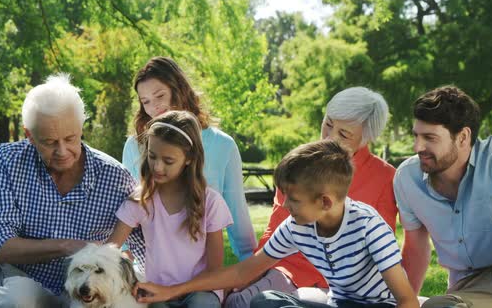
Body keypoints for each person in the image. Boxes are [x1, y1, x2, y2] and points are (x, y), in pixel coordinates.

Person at [0, 74, 136, 307]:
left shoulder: (115, 177)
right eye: (49, 142)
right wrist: (67, 246)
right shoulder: (9, 159)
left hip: (77, 296)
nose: (62, 151)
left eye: (70, 138)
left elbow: (145, 249)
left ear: (81, 127)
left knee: (20, 293)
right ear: (30, 135)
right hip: (3, 280)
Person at [134, 140, 420, 308]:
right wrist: (172, 291)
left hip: (379, 306)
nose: (284, 206)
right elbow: (242, 272)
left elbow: (406, 300)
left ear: (325, 202)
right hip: (337, 303)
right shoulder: (297, 227)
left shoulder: (369, 227)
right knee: (264, 301)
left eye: (293, 199)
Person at [225, 87, 398, 307]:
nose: (330, 137)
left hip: (345, 288)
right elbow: (273, 231)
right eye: (328, 124)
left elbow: (380, 253)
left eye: (344, 134)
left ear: (366, 138)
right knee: (236, 301)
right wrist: (249, 276)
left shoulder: (385, 177)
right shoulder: (299, 164)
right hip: (289, 272)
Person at [122, 56, 256, 269]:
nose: (154, 107)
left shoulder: (223, 145)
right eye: (145, 101)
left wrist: (250, 266)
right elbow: (128, 213)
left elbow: (238, 215)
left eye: (160, 96)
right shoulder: (134, 145)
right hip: (150, 271)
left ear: (179, 89)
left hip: (203, 272)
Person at [394, 86, 492, 307]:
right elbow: (415, 247)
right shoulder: (407, 179)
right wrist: (406, 302)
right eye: (416, 135)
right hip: (472, 288)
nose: (417, 146)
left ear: (463, 137)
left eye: (429, 138)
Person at [107, 110, 233, 307]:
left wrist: (176, 291)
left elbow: (214, 269)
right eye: (152, 156)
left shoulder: (210, 202)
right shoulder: (140, 200)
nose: (157, 167)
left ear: (189, 158)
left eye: (168, 161)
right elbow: (111, 249)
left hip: (200, 291)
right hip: (155, 292)